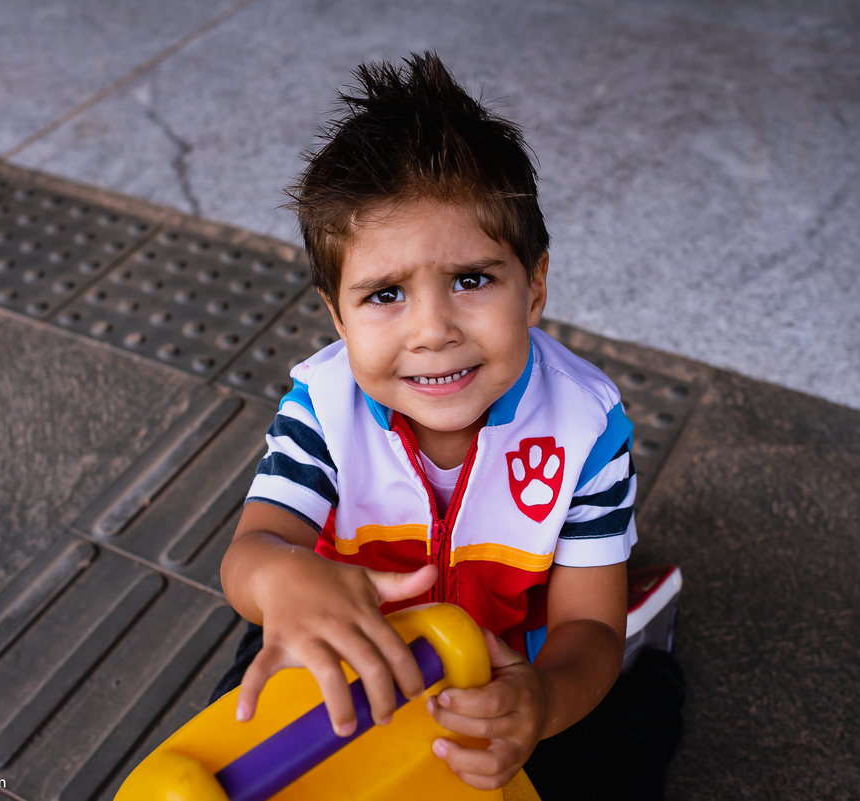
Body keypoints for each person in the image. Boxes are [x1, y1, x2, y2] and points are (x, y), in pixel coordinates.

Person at [216, 52, 683, 800]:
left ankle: (655, 683)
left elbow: (588, 631)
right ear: (336, 317)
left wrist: (541, 703)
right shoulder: (322, 409)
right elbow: (249, 553)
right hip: (346, 639)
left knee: (605, 768)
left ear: (534, 287)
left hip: (507, 666)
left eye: (471, 280)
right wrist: (281, 578)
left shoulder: (584, 427)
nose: (432, 330)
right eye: (385, 294)